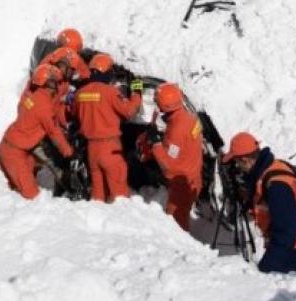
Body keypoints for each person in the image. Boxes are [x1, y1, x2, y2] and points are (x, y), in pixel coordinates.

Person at [222, 132, 296, 276]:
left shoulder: (276, 185)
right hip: (293, 247)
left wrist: (266, 268)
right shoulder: (270, 168)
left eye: (237, 163)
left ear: (245, 160)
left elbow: (286, 234)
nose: (237, 167)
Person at [72, 53, 143, 202]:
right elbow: (130, 111)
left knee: (98, 196)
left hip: (91, 151)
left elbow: (74, 114)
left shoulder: (80, 94)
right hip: (110, 149)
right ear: (107, 72)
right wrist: (136, 90)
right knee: (120, 198)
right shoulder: (110, 92)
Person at [0, 63, 75, 199]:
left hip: (13, 145)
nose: (57, 88)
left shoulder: (30, 94)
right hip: (15, 153)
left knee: (18, 192)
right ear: (50, 84)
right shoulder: (44, 105)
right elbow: (53, 131)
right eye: (56, 84)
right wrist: (67, 151)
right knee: (32, 197)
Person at [146, 82, 203, 231]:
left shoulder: (176, 131)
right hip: (194, 176)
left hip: (182, 184)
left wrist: (156, 143)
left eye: (158, 102)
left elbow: (168, 165)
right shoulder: (190, 118)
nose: (156, 104)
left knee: (175, 226)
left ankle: (183, 252)